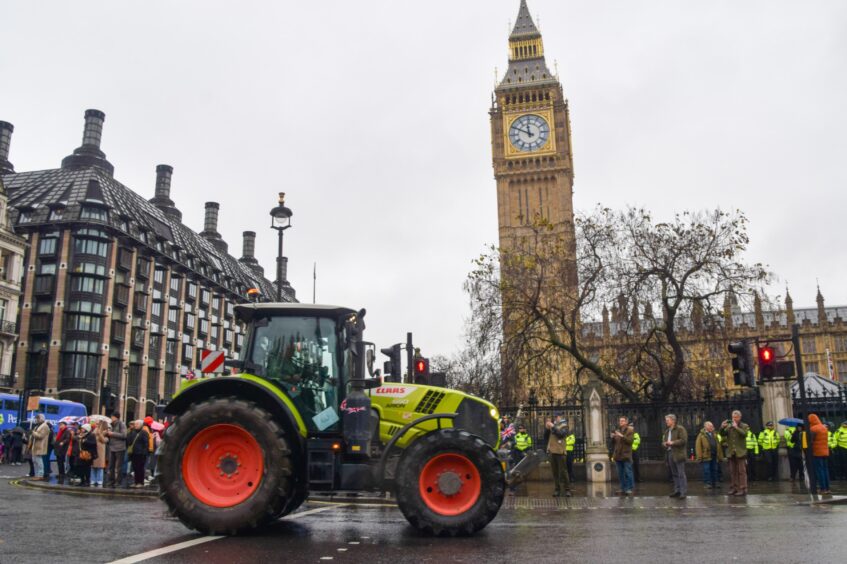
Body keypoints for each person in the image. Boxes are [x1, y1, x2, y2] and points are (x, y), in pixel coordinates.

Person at [720, 410, 750, 496]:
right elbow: (722, 434)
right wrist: (722, 427)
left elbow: (745, 434)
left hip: (740, 452)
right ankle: (734, 488)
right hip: (731, 452)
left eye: (736, 417)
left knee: (741, 471)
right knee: (733, 471)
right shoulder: (729, 426)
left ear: (740, 417)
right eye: (733, 417)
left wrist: (736, 427)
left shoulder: (744, 426)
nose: (734, 419)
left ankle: (743, 488)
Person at [544, 415, 571, 497]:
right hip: (552, 451)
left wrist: (553, 427)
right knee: (555, 472)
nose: (556, 418)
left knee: (563, 471)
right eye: (555, 417)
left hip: (561, 452)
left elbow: (561, 434)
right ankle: (557, 489)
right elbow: (545, 437)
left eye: (557, 416)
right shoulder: (553, 426)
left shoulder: (564, 426)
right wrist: (547, 429)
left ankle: (567, 489)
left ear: (560, 417)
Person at [662, 414, 688, 499]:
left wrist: (672, 442)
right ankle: (677, 490)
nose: (666, 422)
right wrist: (664, 444)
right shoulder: (667, 431)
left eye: (667, 420)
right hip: (670, 453)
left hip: (678, 453)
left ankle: (683, 492)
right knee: (674, 473)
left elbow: (683, 440)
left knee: (681, 473)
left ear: (673, 420)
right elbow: (664, 441)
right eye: (666, 420)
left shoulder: (680, 429)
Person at [695, 421, 724, 489]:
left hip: (714, 455)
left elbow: (718, 444)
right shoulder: (701, 435)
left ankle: (715, 482)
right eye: (710, 426)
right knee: (706, 470)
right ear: (706, 427)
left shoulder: (714, 434)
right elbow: (698, 446)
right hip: (706, 455)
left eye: (712, 426)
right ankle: (707, 483)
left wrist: (720, 455)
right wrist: (699, 457)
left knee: (715, 469)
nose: (712, 427)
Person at [611, 416, 635, 496]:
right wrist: (613, 437)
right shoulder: (618, 430)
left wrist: (621, 436)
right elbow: (615, 443)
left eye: (622, 421)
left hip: (626, 455)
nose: (621, 422)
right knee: (620, 473)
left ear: (626, 422)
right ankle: (622, 488)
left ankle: (629, 488)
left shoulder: (630, 430)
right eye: (620, 421)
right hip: (618, 455)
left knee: (628, 472)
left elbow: (630, 441)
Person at [808, 414, 831, 494]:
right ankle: (827, 488)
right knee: (825, 470)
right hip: (825, 451)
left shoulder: (813, 429)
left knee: (819, 470)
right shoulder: (824, 428)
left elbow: (811, 441)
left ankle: (823, 488)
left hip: (817, 452)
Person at [106, 412, 127, 488]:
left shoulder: (122, 424)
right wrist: (106, 433)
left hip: (120, 448)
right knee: (111, 466)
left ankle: (118, 482)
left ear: (115, 417)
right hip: (112, 448)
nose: (111, 418)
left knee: (118, 467)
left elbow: (124, 435)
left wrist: (112, 434)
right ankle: (111, 481)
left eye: (112, 417)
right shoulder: (111, 425)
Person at [127, 420, 150, 488]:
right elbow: (129, 441)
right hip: (134, 453)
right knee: (135, 468)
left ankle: (140, 482)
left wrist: (144, 453)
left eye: (137, 424)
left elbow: (146, 444)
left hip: (141, 453)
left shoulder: (144, 433)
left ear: (141, 425)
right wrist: (130, 432)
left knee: (140, 468)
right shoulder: (133, 432)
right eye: (135, 424)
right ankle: (136, 482)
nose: (135, 425)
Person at [29, 414, 50, 480]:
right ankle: (36, 475)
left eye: (38, 418)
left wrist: (33, 432)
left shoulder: (45, 426)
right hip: (35, 446)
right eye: (36, 418)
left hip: (40, 446)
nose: (37, 419)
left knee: (39, 461)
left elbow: (40, 436)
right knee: (34, 461)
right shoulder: (37, 426)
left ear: (42, 419)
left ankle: (40, 475)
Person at [91, 420, 109, 487]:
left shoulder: (106, 431)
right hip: (94, 449)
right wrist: (96, 431)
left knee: (100, 467)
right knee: (93, 466)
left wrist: (100, 434)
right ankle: (93, 479)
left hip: (101, 451)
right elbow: (92, 436)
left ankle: (99, 480)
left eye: (99, 424)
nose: (97, 425)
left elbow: (104, 440)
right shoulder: (95, 430)